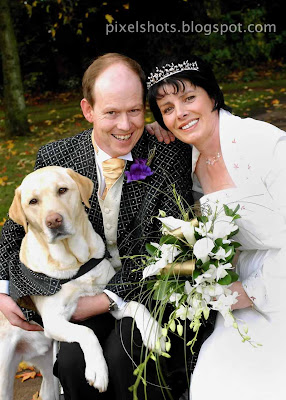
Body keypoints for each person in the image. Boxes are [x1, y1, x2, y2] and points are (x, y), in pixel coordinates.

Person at [0, 53, 198, 400]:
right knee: (75, 364)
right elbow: (14, 231)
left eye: (134, 110)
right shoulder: (56, 157)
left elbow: (177, 250)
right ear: (88, 110)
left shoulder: (167, 155)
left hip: (146, 293)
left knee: (125, 360)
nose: (125, 124)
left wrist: (105, 298)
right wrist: (2, 290)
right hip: (75, 296)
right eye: (111, 112)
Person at [146, 56, 286, 400]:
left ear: (212, 96)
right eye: (167, 108)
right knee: (214, 379)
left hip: (273, 285)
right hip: (237, 293)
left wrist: (253, 291)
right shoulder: (188, 165)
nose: (179, 113)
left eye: (189, 98)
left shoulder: (264, 143)